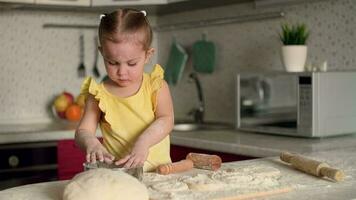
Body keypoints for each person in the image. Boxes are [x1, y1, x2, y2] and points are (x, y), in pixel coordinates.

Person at [75, 8, 174, 172]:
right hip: (121, 177)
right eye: (112, 63)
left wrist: (144, 142)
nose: (122, 72)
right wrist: (91, 143)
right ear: (102, 53)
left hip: (160, 174)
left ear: (148, 55)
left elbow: (166, 120)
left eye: (132, 63)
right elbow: (83, 131)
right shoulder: (98, 95)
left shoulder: (156, 86)